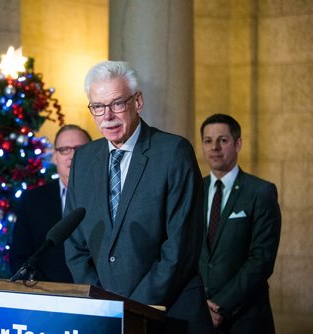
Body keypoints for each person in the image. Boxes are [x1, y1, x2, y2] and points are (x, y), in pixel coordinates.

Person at [64, 60, 212, 333]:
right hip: (106, 316)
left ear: (138, 102)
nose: (107, 116)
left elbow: (180, 248)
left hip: (170, 315)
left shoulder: (173, 152)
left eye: (117, 103)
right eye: (97, 106)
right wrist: (103, 304)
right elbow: (74, 244)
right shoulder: (84, 159)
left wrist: (132, 308)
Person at [199, 114, 281, 333]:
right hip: (199, 315)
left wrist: (220, 306)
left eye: (222, 140)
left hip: (245, 319)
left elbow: (261, 260)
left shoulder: (261, 192)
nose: (214, 147)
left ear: (238, 144)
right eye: (208, 141)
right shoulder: (193, 190)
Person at [10, 124, 92, 283]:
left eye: (80, 149)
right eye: (64, 150)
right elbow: (20, 258)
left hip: (98, 297)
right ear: (55, 157)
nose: (72, 155)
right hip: (47, 297)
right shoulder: (32, 201)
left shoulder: (110, 195)